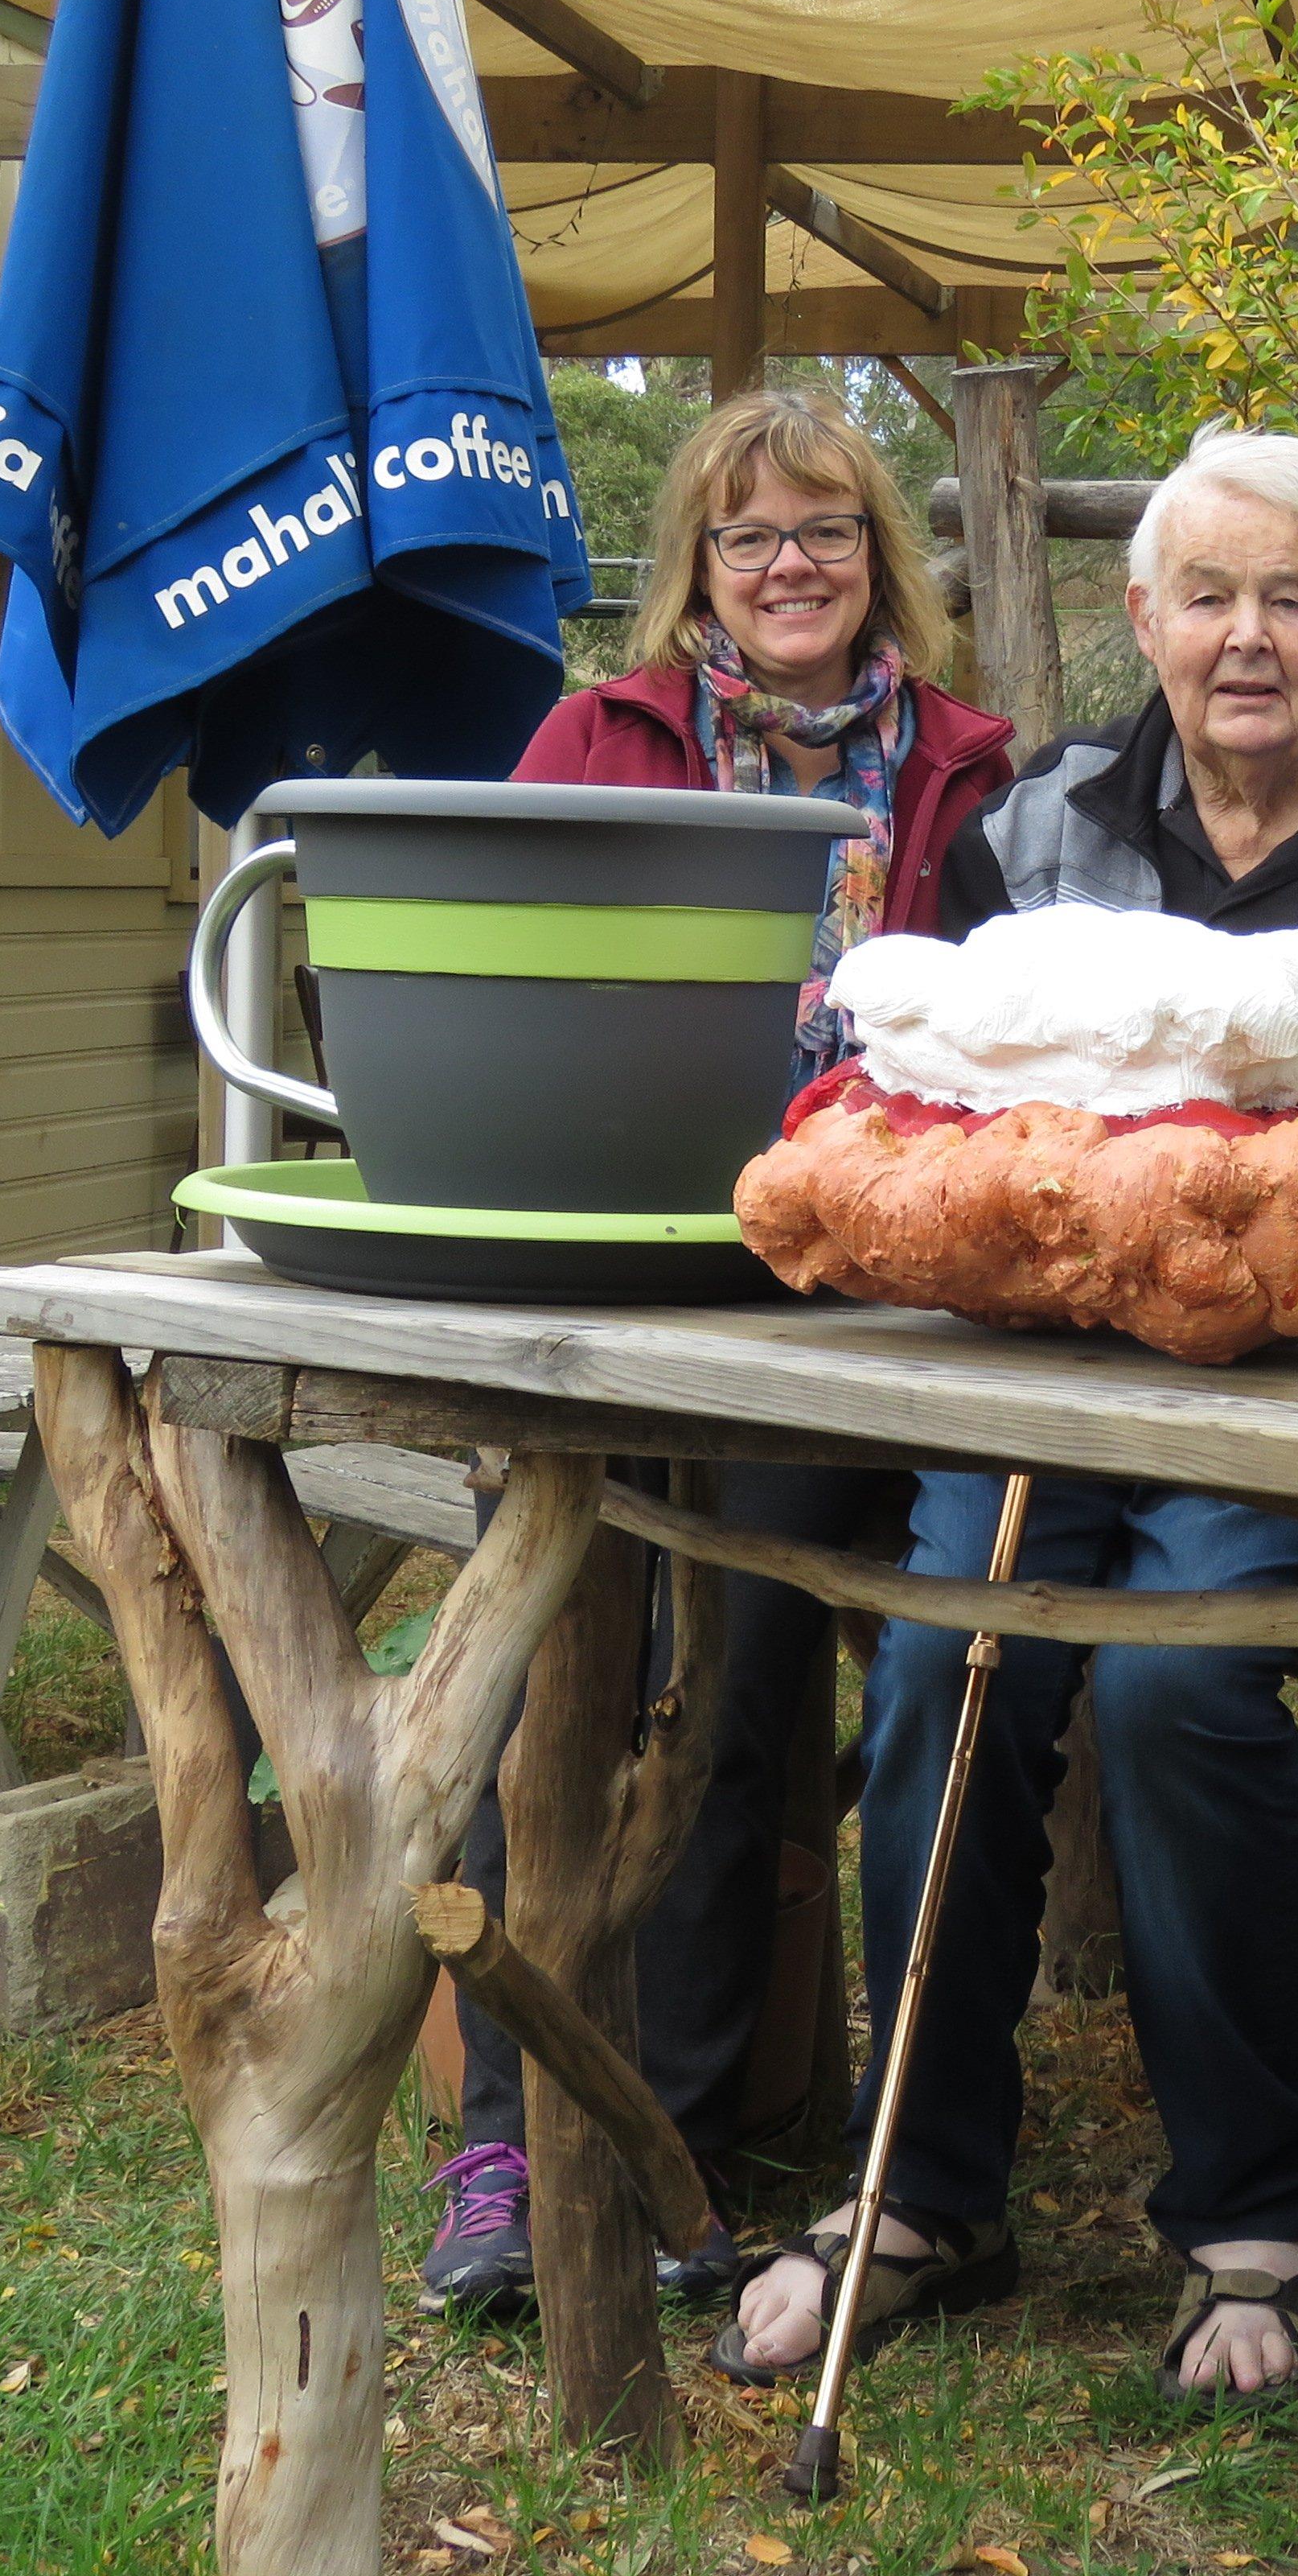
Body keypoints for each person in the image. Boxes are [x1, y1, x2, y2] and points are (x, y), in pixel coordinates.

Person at [712, 425, 1298, 2401]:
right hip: (1042, 1372)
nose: (1248, 636)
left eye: (1289, 596)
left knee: (1174, 1687)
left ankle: (1254, 2206)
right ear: (1145, 615)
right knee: (946, 1662)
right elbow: (933, 1105)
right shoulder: (1040, 823)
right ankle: (921, 2186)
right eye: (1209, 596)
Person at [417, 387, 1017, 2316]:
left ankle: (661, 2140)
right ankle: (502, 2144)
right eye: (748, 533)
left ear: (878, 558)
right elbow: (497, 973)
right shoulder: (597, 738)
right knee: (535, 1689)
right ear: (695, 561)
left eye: (825, 530)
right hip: (605, 1274)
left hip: (835, 1305)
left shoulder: (977, 770)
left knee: (734, 1697)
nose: (787, 565)